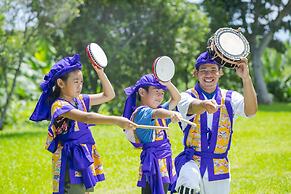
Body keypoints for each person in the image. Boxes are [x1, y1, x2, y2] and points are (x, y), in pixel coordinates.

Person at [30, 54, 136, 194]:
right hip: (69, 159)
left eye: (81, 81)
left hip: (84, 155)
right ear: (61, 83)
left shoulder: (79, 100)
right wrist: (116, 120)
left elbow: (108, 95)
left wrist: (100, 72)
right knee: (72, 190)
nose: (80, 85)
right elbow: (86, 117)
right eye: (75, 81)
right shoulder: (59, 105)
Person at [173, 51, 258, 194]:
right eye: (203, 70)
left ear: (220, 73)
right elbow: (192, 106)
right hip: (192, 162)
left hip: (219, 167)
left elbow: (251, 111)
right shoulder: (185, 96)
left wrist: (246, 78)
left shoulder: (230, 97)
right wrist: (204, 105)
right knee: (189, 185)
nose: (208, 75)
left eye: (213, 70)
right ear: (195, 73)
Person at [123, 74, 182, 194]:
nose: (160, 96)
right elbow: (156, 113)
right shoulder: (141, 113)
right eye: (156, 91)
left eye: (162, 92)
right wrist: (171, 114)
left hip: (164, 163)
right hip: (153, 164)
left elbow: (176, 98)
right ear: (142, 92)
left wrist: (168, 82)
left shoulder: (161, 111)